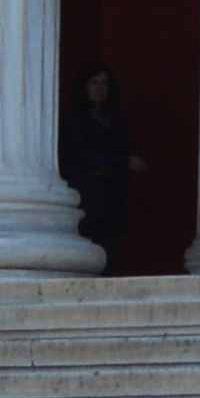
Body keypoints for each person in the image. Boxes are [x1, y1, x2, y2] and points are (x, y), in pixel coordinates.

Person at [62, 63, 142, 263]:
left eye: (104, 83)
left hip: (112, 203)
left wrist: (116, 164)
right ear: (85, 87)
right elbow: (81, 156)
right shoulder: (74, 119)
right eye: (94, 83)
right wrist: (120, 162)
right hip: (87, 198)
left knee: (108, 256)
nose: (99, 88)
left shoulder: (118, 122)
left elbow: (134, 162)